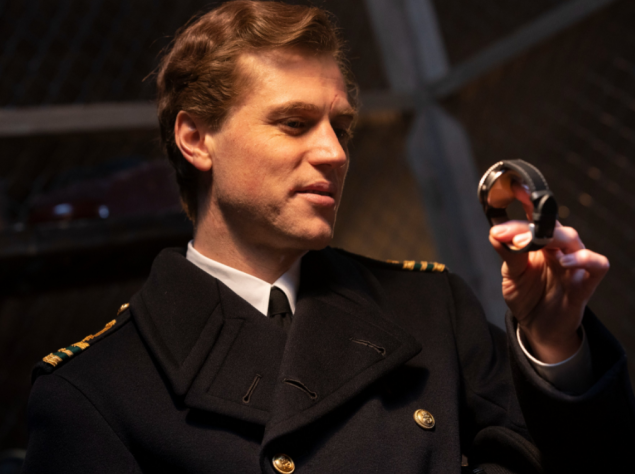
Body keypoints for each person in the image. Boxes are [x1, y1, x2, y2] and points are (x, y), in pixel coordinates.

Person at [23, 1, 634, 473]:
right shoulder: (94, 391)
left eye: (340, 127)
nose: (335, 153)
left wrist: (553, 344)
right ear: (197, 139)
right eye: (294, 123)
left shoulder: (432, 307)